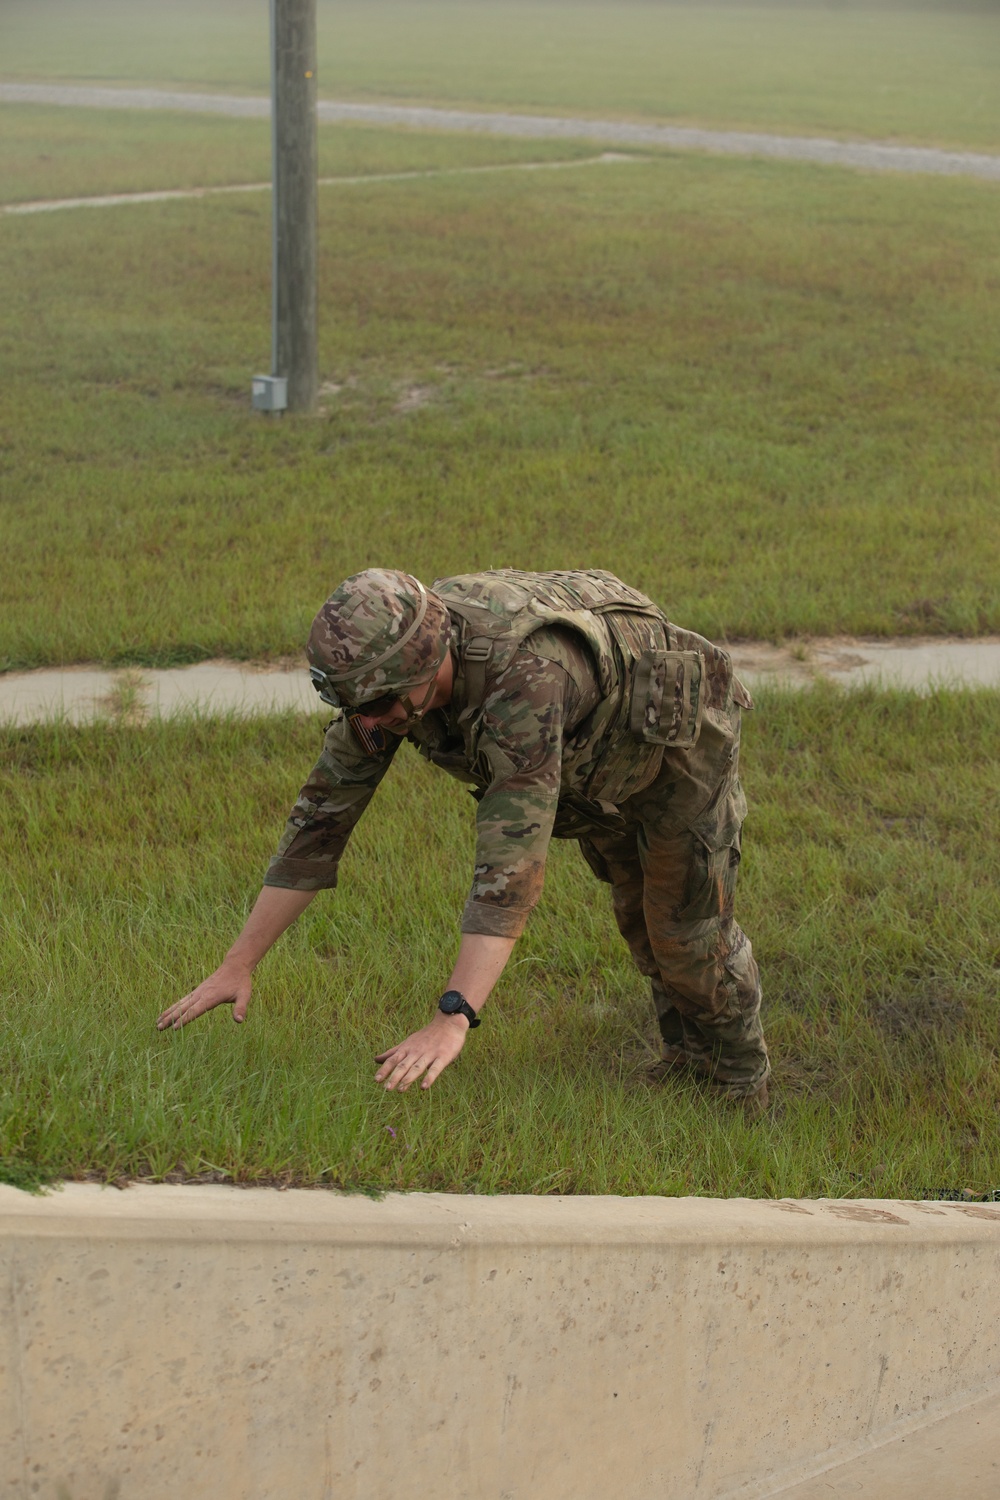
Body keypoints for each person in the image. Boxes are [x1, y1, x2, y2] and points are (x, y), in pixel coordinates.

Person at [157, 568, 770, 1113]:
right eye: (351, 705)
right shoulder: (379, 694)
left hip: (676, 748)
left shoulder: (524, 679)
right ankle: (690, 1062)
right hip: (592, 758)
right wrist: (238, 964)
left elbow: (510, 865)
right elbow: (321, 821)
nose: (366, 722)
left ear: (422, 668)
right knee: (640, 916)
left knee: (687, 930)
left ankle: (740, 1087)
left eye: (375, 703)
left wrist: (454, 1016)